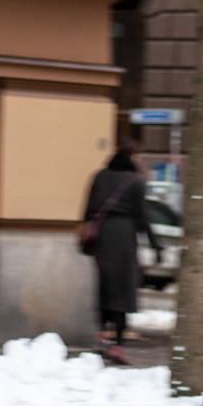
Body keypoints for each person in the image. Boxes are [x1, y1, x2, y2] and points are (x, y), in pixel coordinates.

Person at [82, 137, 159, 365]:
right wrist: (155, 244)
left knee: (104, 287)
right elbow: (142, 216)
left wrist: (89, 235)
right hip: (125, 238)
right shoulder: (135, 181)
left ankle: (101, 338)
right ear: (133, 156)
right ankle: (118, 345)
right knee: (122, 292)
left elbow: (87, 211)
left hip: (102, 238)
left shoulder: (98, 176)